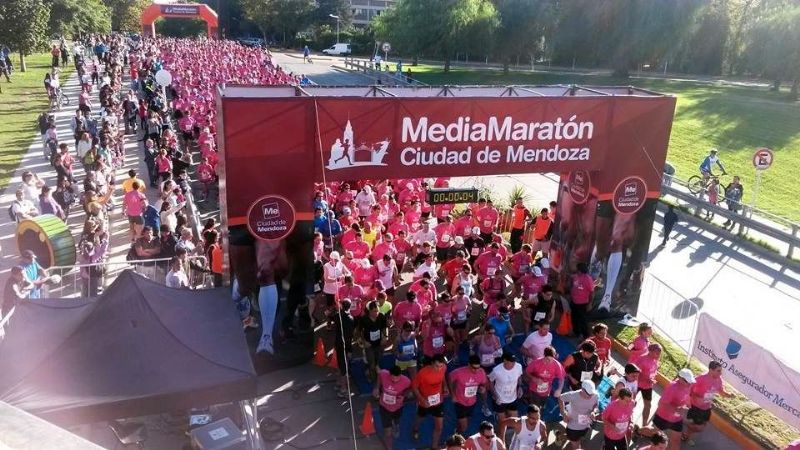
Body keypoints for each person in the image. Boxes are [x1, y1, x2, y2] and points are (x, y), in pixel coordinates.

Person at [638, 369, 696, 450]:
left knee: (676, 440)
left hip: (676, 419)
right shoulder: (672, 388)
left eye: (690, 381)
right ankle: (638, 431)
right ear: (680, 378)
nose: (689, 383)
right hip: (663, 416)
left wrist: (689, 406)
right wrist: (678, 409)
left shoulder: (688, 386)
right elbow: (661, 404)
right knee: (653, 432)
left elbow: (687, 396)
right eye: (687, 381)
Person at [682, 361, 732, 444]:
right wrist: (693, 398)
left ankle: (686, 435)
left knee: (701, 425)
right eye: (718, 371)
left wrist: (729, 395)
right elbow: (689, 387)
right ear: (711, 370)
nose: (720, 373)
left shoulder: (719, 379)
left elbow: (721, 391)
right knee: (699, 427)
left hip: (707, 407)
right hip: (696, 407)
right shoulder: (702, 378)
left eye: (721, 371)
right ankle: (681, 421)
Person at [412, 354, 448, 449]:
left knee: (439, 427)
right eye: (437, 366)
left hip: (438, 402)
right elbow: (414, 388)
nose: (439, 368)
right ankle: (415, 429)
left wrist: (445, 386)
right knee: (420, 418)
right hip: (425, 402)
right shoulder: (423, 373)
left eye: (441, 366)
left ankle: (434, 447)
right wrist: (422, 400)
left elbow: (443, 376)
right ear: (432, 363)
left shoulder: (443, 367)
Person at [487, 352, 523, 442]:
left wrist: (520, 387)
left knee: (515, 420)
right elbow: (490, 382)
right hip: (500, 399)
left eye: (514, 361)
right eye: (511, 361)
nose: (513, 364)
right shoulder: (496, 370)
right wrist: (495, 395)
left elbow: (519, 377)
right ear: (505, 361)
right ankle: (501, 441)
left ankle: (517, 440)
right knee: (502, 423)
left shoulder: (518, 366)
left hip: (513, 398)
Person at [373, 365, 411, 450]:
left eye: (397, 379)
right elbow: (379, 375)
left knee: (396, 419)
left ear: (400, 375)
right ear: (389, 375)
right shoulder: (384, 373)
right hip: (384, 407)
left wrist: (404, 396)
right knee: (388, 433)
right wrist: (377, 387)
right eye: (392, 378)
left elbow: (410, 389)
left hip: (397, 407)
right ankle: (389, 448)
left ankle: (396, 425)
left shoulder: (406, 381)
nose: (394, 381)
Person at [449, 355, 489, 433]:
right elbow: (450, 378)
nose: (476, 370)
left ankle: (457, 432)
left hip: (472, 402)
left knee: (466, 421)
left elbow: (484, 383)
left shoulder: (481, 372)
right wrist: (452, 394)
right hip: (460, 402)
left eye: (478, 368)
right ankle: (461, 441)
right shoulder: (459, 372)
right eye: (474, 368)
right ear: (468, 365)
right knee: (465, 427)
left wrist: (483, 388)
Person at [558, 380, 599, 450]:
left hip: (586, 424)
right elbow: (560, 398)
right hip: (573, 426)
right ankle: (567, 438)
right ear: (582, 389)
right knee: (576, 446)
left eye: (592, 394)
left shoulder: (595, 395)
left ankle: (560, 436)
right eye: (589, 394)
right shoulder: (573, 395)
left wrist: (594, 411)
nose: (591, 396)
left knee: (576, 439)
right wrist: (563, 413)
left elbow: (596, 404)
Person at [631, 343, 662, 427]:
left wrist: (652, 378)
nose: (658, 355)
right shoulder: (642, 359)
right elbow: (636, 372)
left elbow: (653, 371)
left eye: (659, 353)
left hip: (648, 386)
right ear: (650, 351)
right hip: (637, 384)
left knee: (648, 405)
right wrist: (647, 378)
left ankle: (644, 425)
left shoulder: (655, 360)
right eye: (657, 353)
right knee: (630, 401)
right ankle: (626, 417)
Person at [356, 301, 388, 382]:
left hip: (379, 343)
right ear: (369, 311)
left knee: (378, 358)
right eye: (374, 311)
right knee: (372, 363)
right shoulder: (364, 319)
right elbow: (358, 331)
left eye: (377, 311)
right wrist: (363, 341)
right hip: (369, 344)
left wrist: (385, 336)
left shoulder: (381, 317)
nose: (376, 313)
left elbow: (385, 327)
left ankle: (373, 368)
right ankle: (373, 379)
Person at [331, 299, 356, 397]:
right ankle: (342, 386)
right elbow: (349, 337)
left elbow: (331, 316)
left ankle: (343, 388)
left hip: (339, 344)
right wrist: (349, 349)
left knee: (342, 367)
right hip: (345, 345)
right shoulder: (350, 319)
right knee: (343, 367)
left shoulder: (338, 316)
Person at [569, 263, 594, 340]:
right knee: (574, 318)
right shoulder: (576, 276)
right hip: (574, 301)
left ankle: (585, 336)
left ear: (580, 270)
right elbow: (572, 283)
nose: (576, 271)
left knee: (583, 320)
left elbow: (592, 292)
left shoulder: (588, 279)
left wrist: (590, 304)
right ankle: (576, 332)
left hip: (582, 304)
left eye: (578, 270)